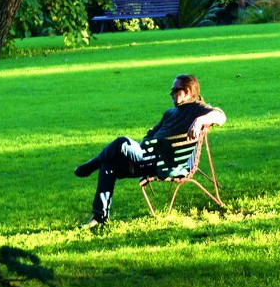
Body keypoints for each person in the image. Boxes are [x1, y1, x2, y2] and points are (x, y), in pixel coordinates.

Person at [73, 74, 226, 229]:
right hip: (148, 158)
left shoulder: (197, 110)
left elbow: (220, 116)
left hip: (165, 163)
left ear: (186, 91)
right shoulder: (170, 113)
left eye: (175, 90)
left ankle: (93, 164)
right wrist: (147, 140)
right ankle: (99, 217)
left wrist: (199, 121)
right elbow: (151, 136)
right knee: (108, 166)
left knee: (122, 142)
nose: (171, 94)